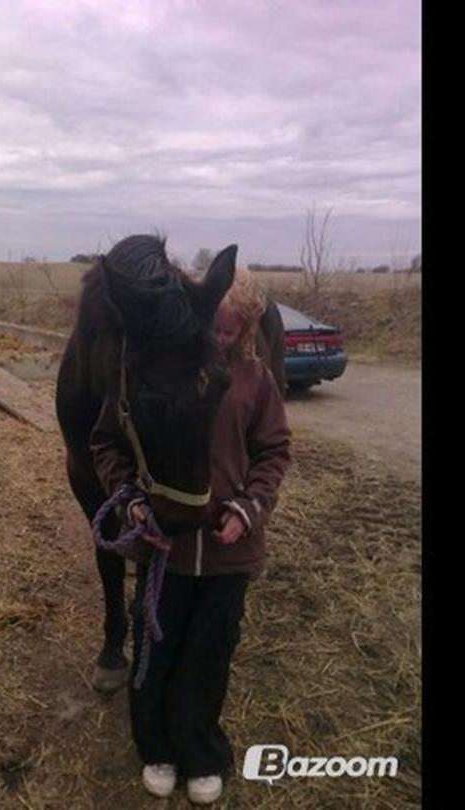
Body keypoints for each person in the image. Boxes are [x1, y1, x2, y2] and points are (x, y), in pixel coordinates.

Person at [89, 267, 292, 804]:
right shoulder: (153, 369)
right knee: (155, 649)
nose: (217, 338)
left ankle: (201, 752)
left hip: (229, 550)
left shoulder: (256, 380)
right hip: (164, 549)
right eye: (212, 327)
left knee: (208, 653)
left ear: (247, 329)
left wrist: (250, 509)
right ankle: (156, 748)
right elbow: (107, 442)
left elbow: (275, 450)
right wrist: (132, 502)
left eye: (229, 331)